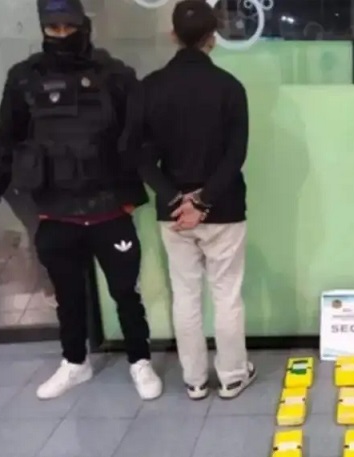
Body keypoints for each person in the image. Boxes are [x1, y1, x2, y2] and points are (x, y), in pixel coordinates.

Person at [0, 0, 162, 400]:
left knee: (126, 293)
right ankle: (75, 362)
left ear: (83, 26)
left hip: (108, 208)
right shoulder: (24, 79)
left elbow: (140, 140)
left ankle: (139, 360)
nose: (60, 35)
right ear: (42, 28)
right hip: (55, 211)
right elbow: (6, 139)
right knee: (67, 296)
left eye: (68, 27)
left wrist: (133, 197)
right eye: (52, 28)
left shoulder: (115, 76)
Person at [138, 0, 255, 400]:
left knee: (185, 295)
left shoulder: (150, 88)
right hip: (224, 208)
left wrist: (176, 198)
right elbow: (235, 155)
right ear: (213, 37)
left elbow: (139, 156)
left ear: (173, 35)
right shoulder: (229, 87)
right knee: (226, 294)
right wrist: (203, 201)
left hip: (173, 214)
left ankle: (194, 380)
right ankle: (233, 376)